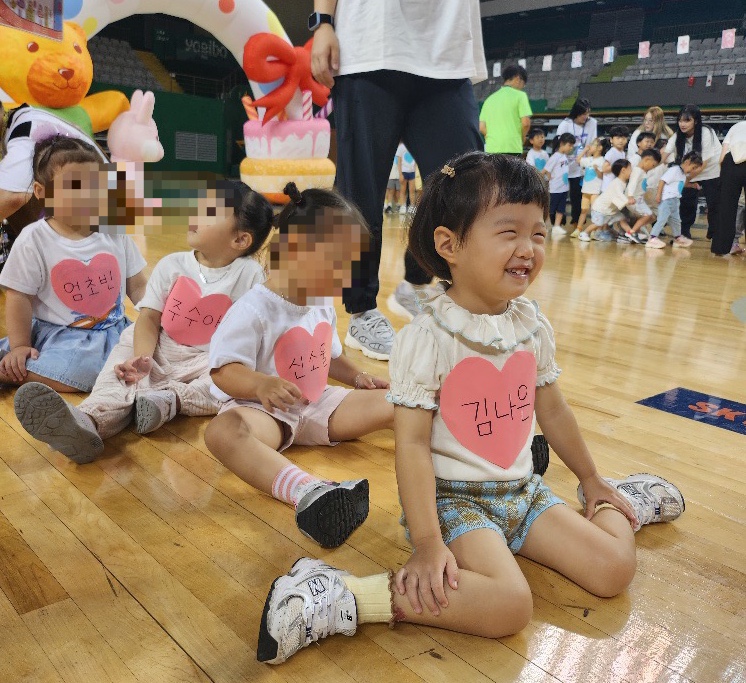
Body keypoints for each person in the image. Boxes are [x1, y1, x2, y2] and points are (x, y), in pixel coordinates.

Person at [254, 153, 685, 666]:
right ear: (449, 245)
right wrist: (429, 545)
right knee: (509, 605)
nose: (528, 249)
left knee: (614, 571)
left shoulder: (531, 324)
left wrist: (591, 478)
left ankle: (617, 499)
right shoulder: (426, 338)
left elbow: (553, 409)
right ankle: (342, 596)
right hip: (456, 505)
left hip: (523, 492)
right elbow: (411, 446)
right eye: (509, 232)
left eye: (538, 234)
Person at [12, 180, 274, 464]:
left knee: (223, 384)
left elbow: (255, 331)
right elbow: (149, 318)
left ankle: (169, 401)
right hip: (158, 346)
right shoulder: (172, 265)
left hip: (206, 359)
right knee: (118, 376)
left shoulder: (250, 276)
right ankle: (88, 422)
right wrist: (141, 358)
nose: (196, 216)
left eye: (210, 212)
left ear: (240, 240)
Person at [203, 183, 394, 549]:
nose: (345, 278)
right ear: (291, 251)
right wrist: (260, 385)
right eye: (336, 265)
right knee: (222, 433)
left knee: (402, 400)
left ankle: (470, 456)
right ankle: (309, 492)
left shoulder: (320, 301)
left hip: (320, 403)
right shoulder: (253, 309)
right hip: (265, 413)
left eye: (349, 266)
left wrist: (357, 376)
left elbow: (330, 353)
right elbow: (223, 371)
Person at [311, 0, 486, 359]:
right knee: (360, 193)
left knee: (467, 186)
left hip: (446, 51)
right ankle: (361, 312)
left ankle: (415, 281)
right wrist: (323, 22)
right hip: (370, 46)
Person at [0, 136, 147, 393]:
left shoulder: (113, 231)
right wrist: (20, 345)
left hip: (115, 329)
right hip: (63, 335)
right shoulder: (34, 239)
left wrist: (154, 316)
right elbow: (18, 297)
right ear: (41, 192)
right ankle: (18, 370)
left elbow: (137, 285)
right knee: (88, 371)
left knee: (157, 353)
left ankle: (18, 369)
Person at [664, 105, 721, 240]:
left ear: (695, 121)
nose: (682, 124)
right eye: (680, 120)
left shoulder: (706, 133)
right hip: (691, 172)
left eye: (687, 120)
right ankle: (684, 230)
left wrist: (686, 180)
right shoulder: (678, 136)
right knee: (686, 201)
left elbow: (703, 164)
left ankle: (714, 230)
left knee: (713, 204)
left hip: (712, 171)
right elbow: (664, 156)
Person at [646, 151, 704, 250]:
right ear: (687, 162)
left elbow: (680, 185)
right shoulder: (674, 170)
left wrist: (692, 185)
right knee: (662, 219)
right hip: (667, 200)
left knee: (676, 220)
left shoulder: (682, 174)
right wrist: (659, 195)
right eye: (693, 167)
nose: (693, 170)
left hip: (675, 200)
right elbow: (662, 181)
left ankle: (678, 237)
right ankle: (652, 238)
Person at [555, 98, 598, 229]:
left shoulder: (592, 123)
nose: (586, 117)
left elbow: (593, 143)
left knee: (577, 196)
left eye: (587, 113)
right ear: (576, 113)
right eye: (583, 114)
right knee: (560, 195)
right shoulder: (565, 125)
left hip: (581, 167)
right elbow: (558, 145)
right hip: (565, 165)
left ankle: (576, 222)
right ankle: (558, 223)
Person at [479, 65, 532, 155]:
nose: (522, 87)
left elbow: (482, 127)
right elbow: (526, 123)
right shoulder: (520, 95)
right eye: (523, 83)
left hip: (492, 148)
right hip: (513, 147)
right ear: (518, 78)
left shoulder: (489, 100)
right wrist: (522, 138)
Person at [578, 159, 635, 242]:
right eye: (630, 169)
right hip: (601, 209)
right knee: (598, 224)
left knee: (622, 218)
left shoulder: (622, 182)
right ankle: (584, 233)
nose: (631, 171)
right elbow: (619, 195)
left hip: (610, 210)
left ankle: (630, 233)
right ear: (623, 170)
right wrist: (627, 201)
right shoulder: (616, 183)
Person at [712, 120, 746, 256]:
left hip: (731, 163)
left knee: (726, 208)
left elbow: (722, 157)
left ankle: (720, 248)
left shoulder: (736, 126)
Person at [624, 149, 662, 243]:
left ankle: (636, 231)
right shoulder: (637, 171)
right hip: (634, 200)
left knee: (652, 217)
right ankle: (631, 232)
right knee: (648, 214)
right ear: (647, 159)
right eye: (653, 165)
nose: (652, 168)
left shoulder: (643, 172)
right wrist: (630, 196)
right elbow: (632, 184)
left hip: (639, 200)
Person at [574, 137, 608, 235]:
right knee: (583, 210)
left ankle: (593, 230)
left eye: (593, 145)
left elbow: (602, 176)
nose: (590, 146)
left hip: (595, 191)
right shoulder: (588, 159)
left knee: (594, 211)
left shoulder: (602, 161)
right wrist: (585, 150)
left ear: (600, 148)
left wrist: (597, 170)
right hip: (586, 190)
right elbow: (578, 160)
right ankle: (578, 229)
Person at [543, 132, 575, 234]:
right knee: (550, 209)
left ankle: (556, 226)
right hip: (554, 189)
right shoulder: (555, 157)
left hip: (563, 188)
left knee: (561, 209)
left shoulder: (564, 157)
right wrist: (544, 178)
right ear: (562, 144)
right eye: (569, 145)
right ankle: (546, 225)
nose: (571, 148)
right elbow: (545, 170)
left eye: (572, 146)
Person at [601, 126, 629, 192]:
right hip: (608, 186)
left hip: (617, 185)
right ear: (611, 140)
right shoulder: (611, 152)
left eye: (623, 138)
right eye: (618, 138)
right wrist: (618, 165)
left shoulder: (622, 153)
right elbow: (604, 169)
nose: (621, 140)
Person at [397, 142, 417, 216]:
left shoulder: (414, 145)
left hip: (412, 172)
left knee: (412, 190)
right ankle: (403, 206)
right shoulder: (401, 147)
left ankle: (412, 206)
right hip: (404, 171)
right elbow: (399, 162)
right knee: (403, 190)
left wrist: (415, 171)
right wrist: (400, 174)